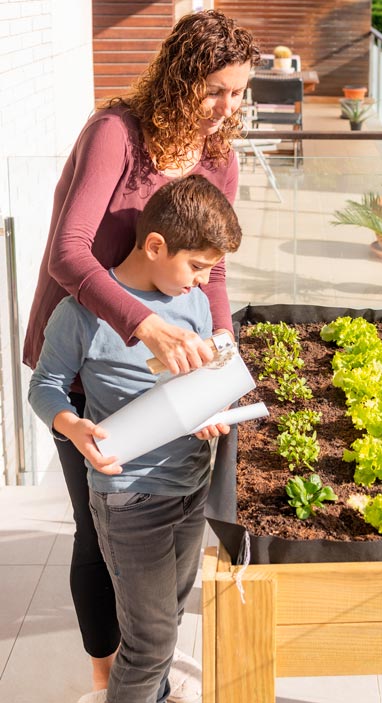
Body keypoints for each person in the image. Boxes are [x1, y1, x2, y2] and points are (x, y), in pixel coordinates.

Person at [22, 10, 259, 701]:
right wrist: (145, 326)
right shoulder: (117, 134)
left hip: (166, 353)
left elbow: (214, 271)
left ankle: (143, 667)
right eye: (216, 90)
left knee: (167, 522)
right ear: (181, 78)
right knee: (98, 527)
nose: (228, 108)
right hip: (88, 346)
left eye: (239, 93)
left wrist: (221, 354)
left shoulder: (218, 158)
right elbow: (69, 253)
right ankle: (109, 679)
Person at [29, 175, 243, 703]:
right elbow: (46, 385)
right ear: (154, 246)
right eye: (197, 266)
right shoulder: (81, 312)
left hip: (191, 487)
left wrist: (212, 406)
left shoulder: (193, 302)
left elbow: (197, 381)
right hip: (130, 500)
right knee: (149, 644)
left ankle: (157, 694)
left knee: (168, 616)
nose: (204, 282)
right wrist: (71, 425)